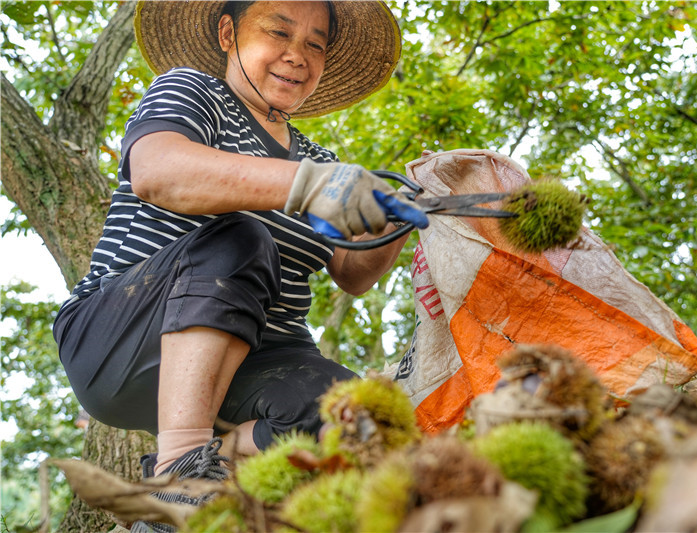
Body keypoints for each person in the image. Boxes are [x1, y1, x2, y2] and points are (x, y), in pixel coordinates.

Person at [52, 1, 427, 530]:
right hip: (124, 338)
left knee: (360, 418)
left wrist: (394, 220)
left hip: (256, 363)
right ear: (228, 32)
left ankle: (213, 459)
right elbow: (157, 171)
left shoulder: (320, 160)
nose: (297, 56)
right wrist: (306, 187)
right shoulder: (192, 91)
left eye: (315, 45)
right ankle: (181, 472)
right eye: (279, 31)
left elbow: (353, 274)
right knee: (240, 236)